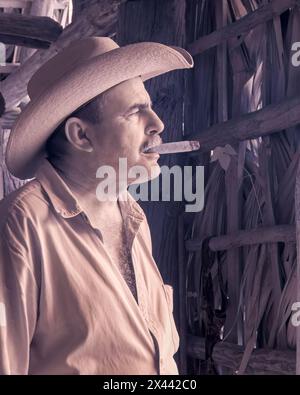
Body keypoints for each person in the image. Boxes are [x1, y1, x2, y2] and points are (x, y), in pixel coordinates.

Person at [0, 36, 193, 374]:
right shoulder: (21, 225)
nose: (158, 124)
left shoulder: (134, 217)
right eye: (135, 112)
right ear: (81, 136)